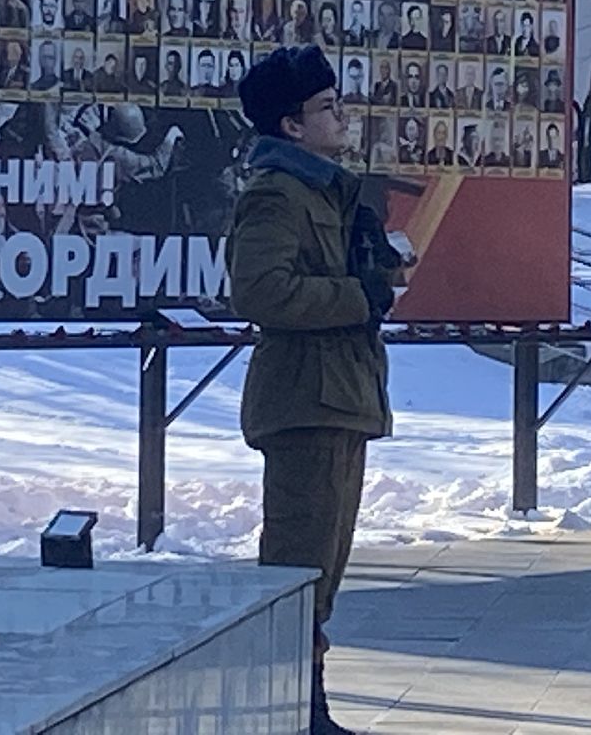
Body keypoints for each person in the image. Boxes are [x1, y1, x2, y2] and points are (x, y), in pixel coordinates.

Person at [229, 44, 397, 735]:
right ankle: (289, 707)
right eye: (327, 108)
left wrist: (374, 264)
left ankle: (305, 704)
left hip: (336, 396)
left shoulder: (322, 187)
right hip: (306, 401)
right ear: (291, 125)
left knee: (321, 571)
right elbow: (261, 290)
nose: (342, 116)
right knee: (298, 570)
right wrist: (360, 294)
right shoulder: (276, 193)